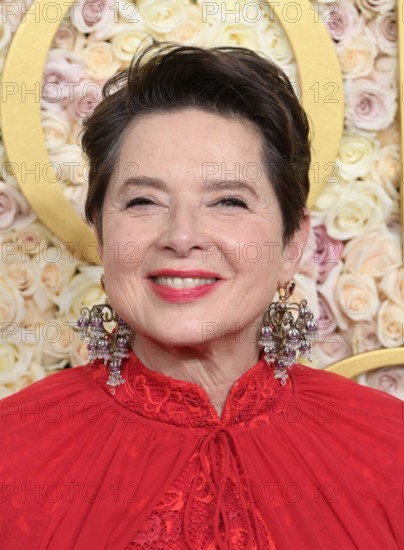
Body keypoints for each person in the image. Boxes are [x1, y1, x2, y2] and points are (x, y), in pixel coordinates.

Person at [1, 42, 403, 550]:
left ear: (291, 245)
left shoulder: (391, 450)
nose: (182, 235)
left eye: (228, 201)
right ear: (101, 236)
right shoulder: (13, 455)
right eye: (144, 200)